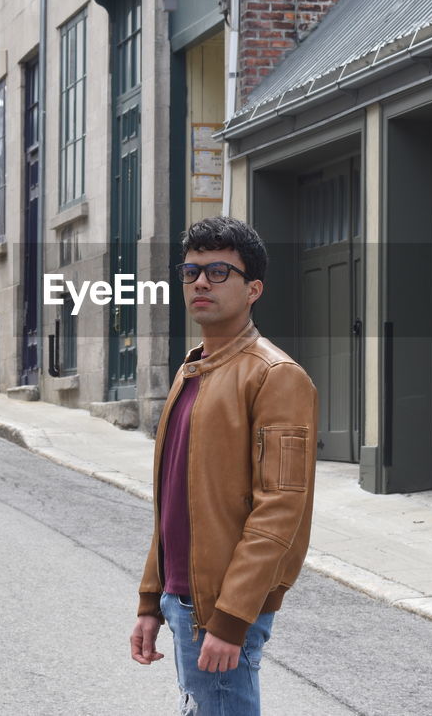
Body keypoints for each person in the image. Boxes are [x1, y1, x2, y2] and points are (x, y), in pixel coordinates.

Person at [129, 216, 318, 716]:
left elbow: (280, 510)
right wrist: (151, 600)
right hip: (182, 599)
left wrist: (231, 619)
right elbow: (171, 500)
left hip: (220, 607)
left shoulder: (276, 376)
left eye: (218, 272)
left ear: (253, 288)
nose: (200, 283)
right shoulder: (194, 368)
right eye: (190, 272)